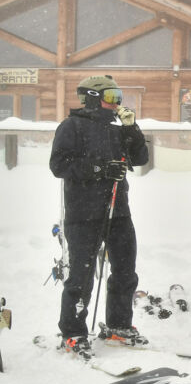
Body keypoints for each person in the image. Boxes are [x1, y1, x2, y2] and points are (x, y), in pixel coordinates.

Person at [49, 75, 150, 358]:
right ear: (93, 98)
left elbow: (140, 158)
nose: (116, 103)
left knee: (125, 271)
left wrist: (132, 128)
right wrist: (100, 170)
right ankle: (73, 332)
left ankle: (119, 325)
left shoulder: (117, 129)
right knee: (81, 276)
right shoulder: (72, 126)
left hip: (118, 211)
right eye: (110, 98)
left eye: (119, 97)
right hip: (84, 214)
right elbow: (59, 164)